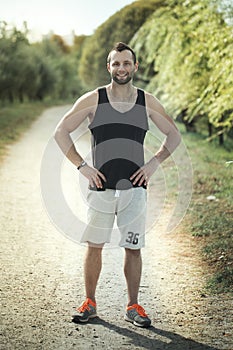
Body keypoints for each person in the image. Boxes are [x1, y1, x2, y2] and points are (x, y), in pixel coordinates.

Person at [54, 42, 181, 328]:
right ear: (108, 67)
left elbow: (173, 134)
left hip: (135, 190)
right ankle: (90, 304)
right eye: (116, 63)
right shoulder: (93, 99)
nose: (121, 68)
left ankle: (133, 306)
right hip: (101, 189)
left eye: (126, 63)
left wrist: (154, 163)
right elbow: (60, 131)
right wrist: (82, 166)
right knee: (94, 246)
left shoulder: (147, 102)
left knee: (133, 248)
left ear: (135, 67)